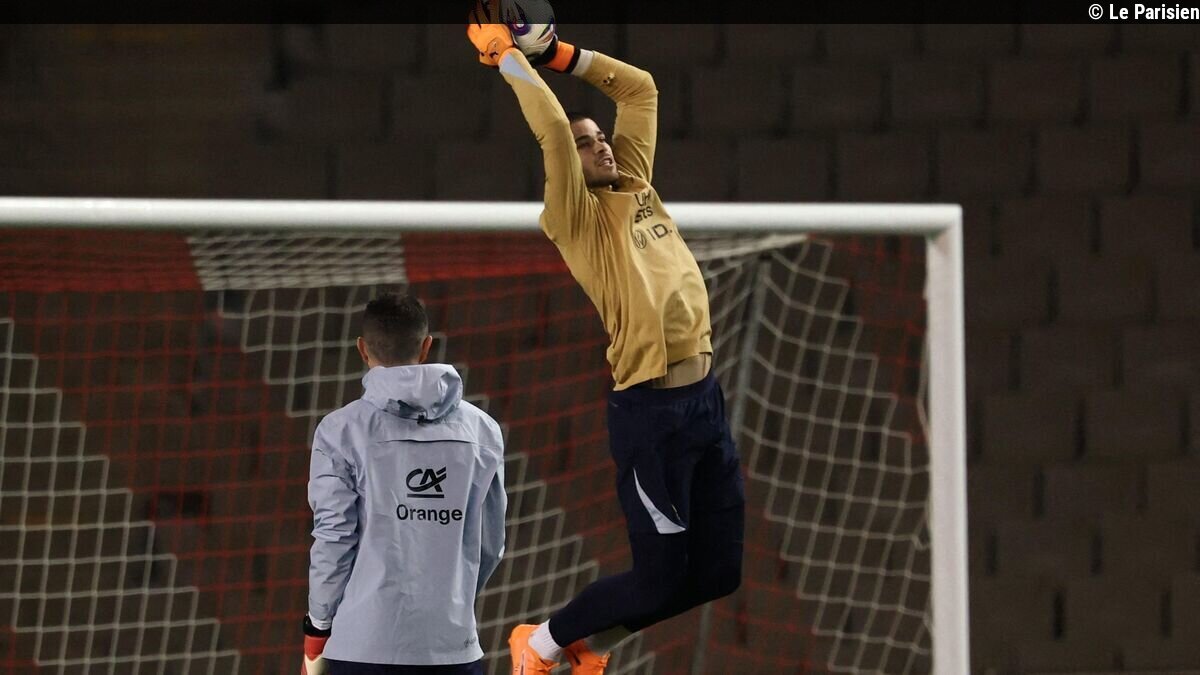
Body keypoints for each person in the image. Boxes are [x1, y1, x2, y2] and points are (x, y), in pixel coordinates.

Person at [467, 7, 745, 675]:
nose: (602, 147)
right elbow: (552, 131)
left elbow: (639, 89)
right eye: (588, 143)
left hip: (704, 403)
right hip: (651, 414)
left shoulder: (636, 183)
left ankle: (587, 643)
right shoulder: (575, 217)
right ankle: (540, 644)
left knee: (719, 572)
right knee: (657, 578)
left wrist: (559, 53)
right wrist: (511, 59)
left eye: (601, 137)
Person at [302, 291, 508, 675]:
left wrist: (318, 624)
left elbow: (334, 536)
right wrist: (448, 603)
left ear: (362, 349)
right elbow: (491, 545)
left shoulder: (339, 430)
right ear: (426, 346)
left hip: (361, 648)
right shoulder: (483, 429)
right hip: (452, 648)